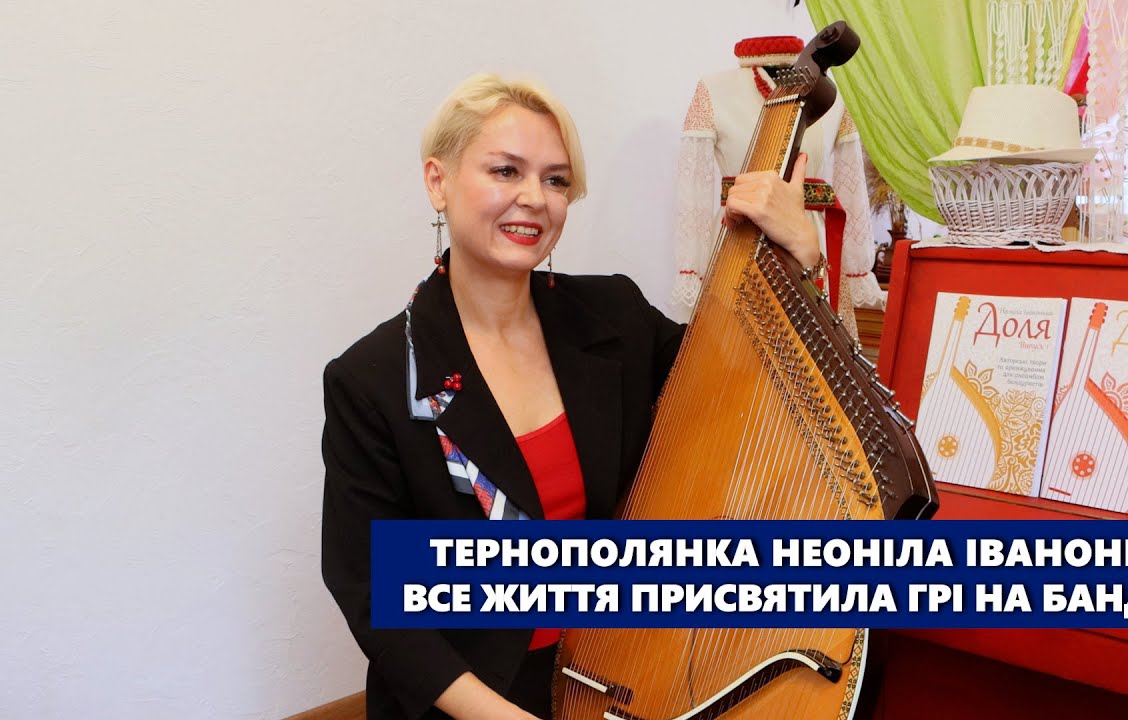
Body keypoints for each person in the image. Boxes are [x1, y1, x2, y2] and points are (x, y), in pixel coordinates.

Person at [321, 73, 822, 720]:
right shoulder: (373, 378)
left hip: (621, 672)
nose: (534, 198)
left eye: (556, 180)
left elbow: (755, 382)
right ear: (437, 181)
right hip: (475, 699)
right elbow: (377, 600)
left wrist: (801, 256)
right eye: (505, 171)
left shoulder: (615, 316)